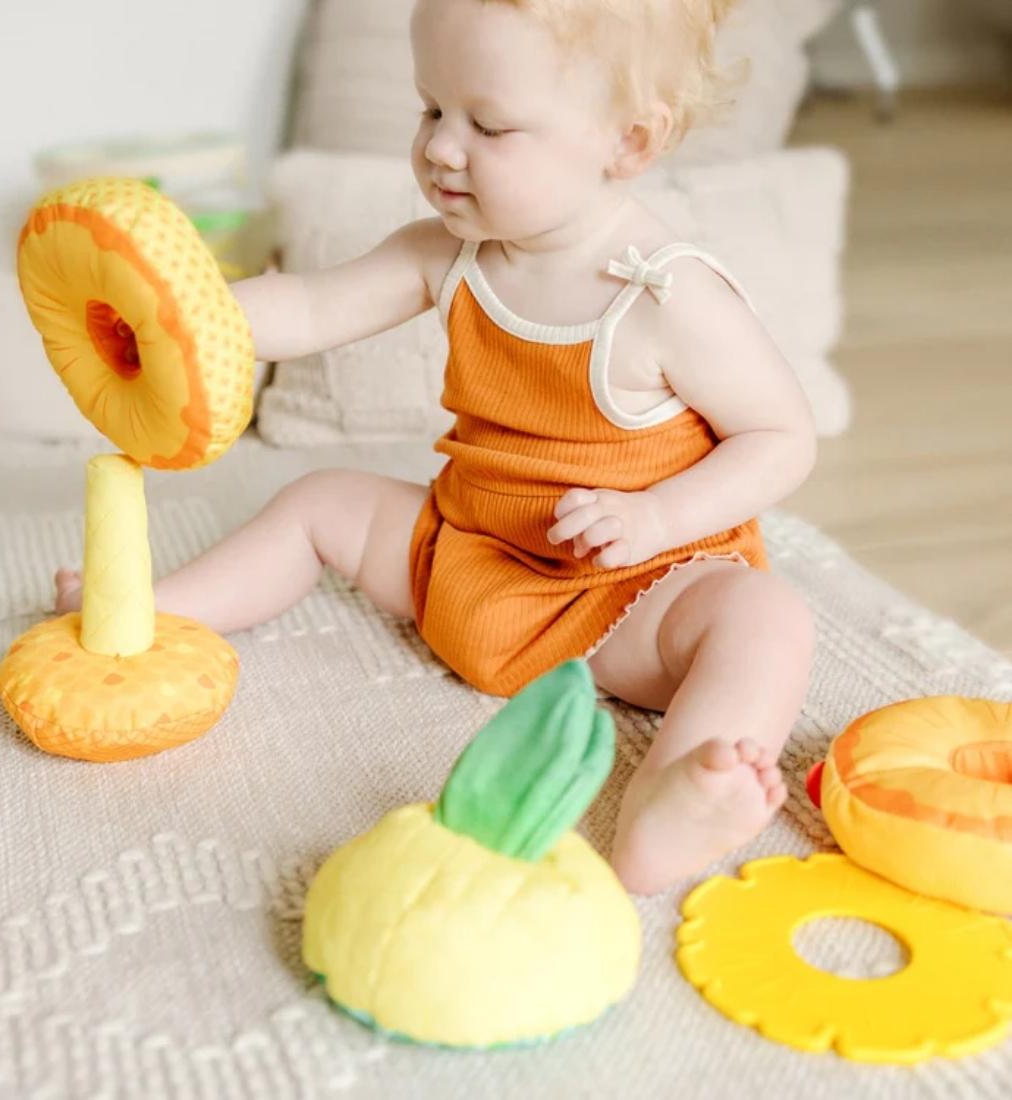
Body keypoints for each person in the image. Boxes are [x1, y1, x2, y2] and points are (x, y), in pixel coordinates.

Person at [57, 0, 817, 895]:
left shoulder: (665, 296)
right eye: (431, 108)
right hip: (461, 559)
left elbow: (780, 438)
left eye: (488, 125)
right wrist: (183, 319)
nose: (442, 149)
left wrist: (658, 517)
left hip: (627, 593)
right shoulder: (448, 251)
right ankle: (154, 611)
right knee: (322, 501)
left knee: (763, 619)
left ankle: (677, 794)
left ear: (629, 142)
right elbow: (311, 307)